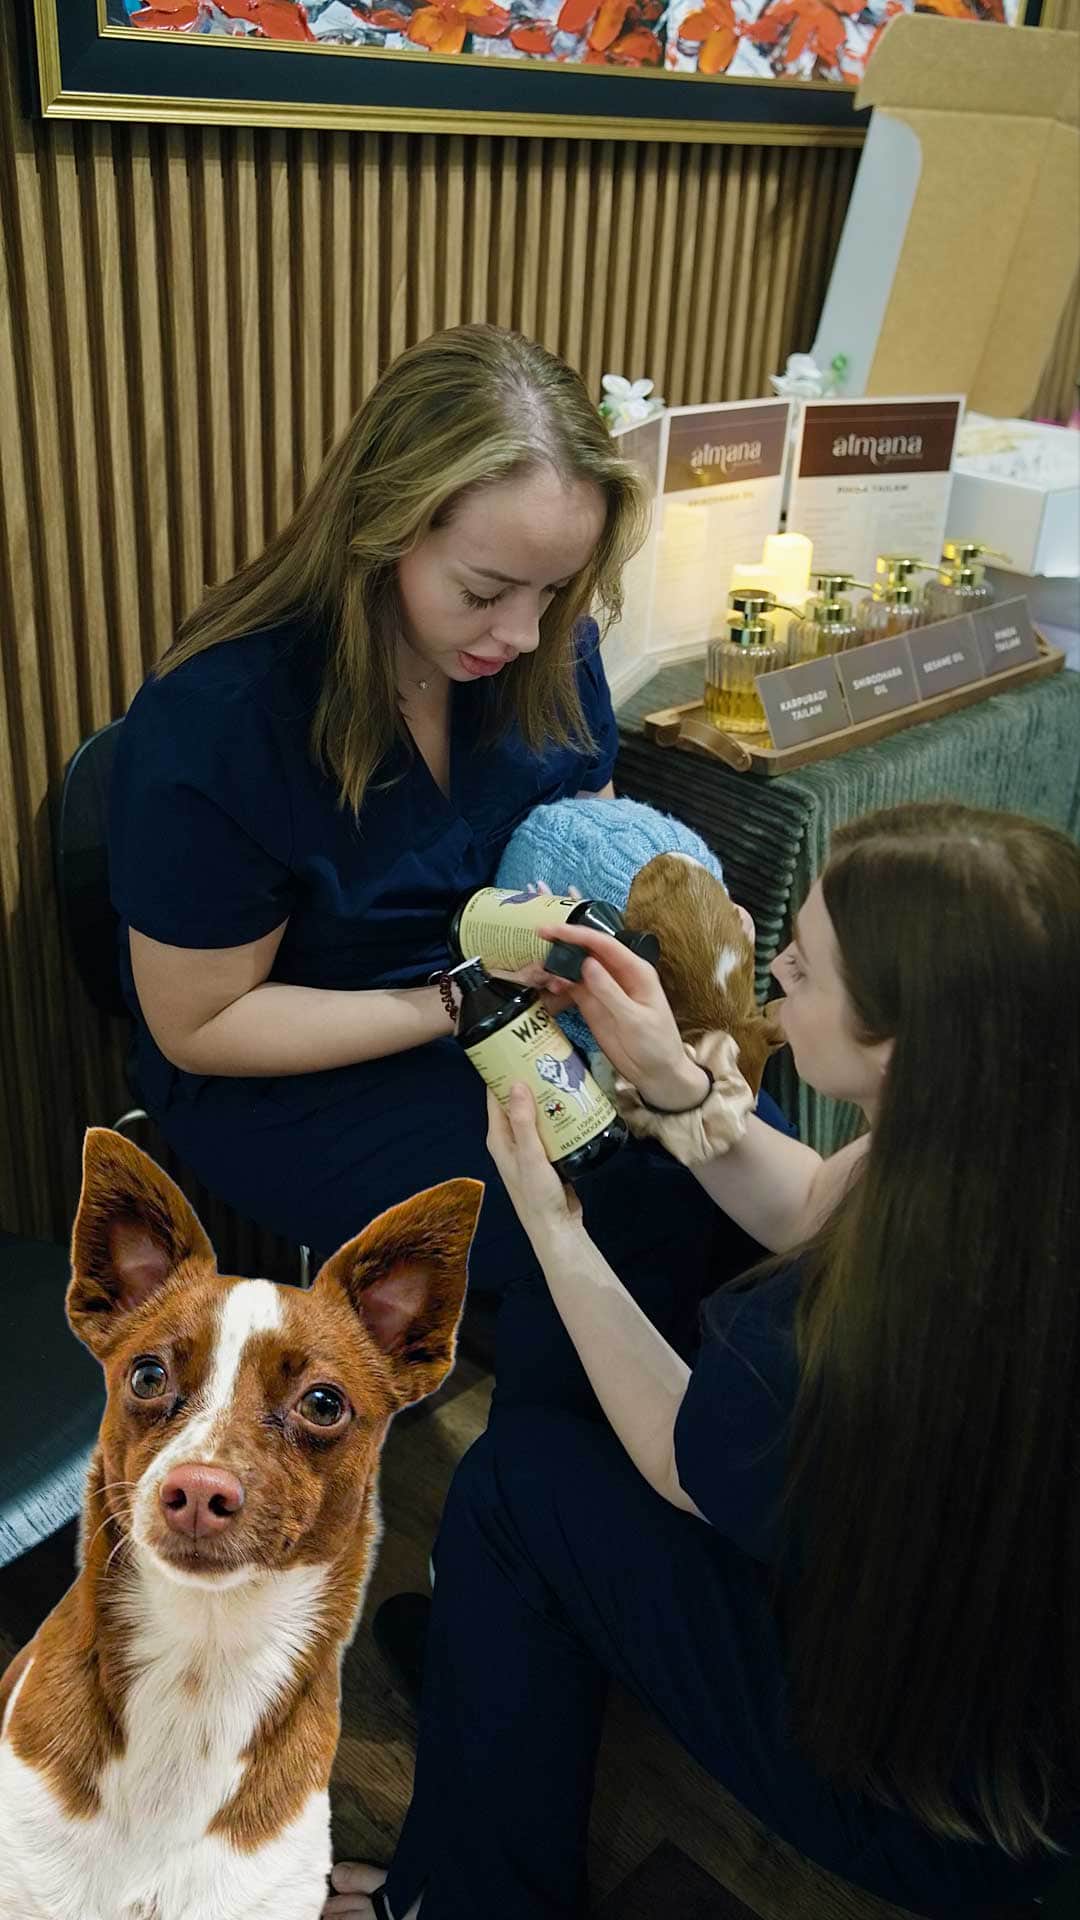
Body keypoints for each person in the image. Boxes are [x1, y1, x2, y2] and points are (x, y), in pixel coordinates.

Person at [326, 803, 1080, 1920]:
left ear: (903, 1041)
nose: (774, 966)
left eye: (806, 965)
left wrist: (551, 1225)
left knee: (513, 1485)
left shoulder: (859, 1330)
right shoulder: (1008, 1126)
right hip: (998, 1683)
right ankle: (514, 1647)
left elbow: (684, 1458)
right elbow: (813, 1199)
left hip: (952, 1813)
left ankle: (466, 1896)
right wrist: (671, 1076)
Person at [108, 324, 779, 1296]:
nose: (524, 633)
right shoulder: (223, 721)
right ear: (381, 529)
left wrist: (662, 942)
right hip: (302, 1064)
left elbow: (589, 844)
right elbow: (201, 1024)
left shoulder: (548, 649)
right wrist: (459, 1001)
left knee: (742, 1140)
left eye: (554, 590)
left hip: (522, 1010)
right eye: (483, 591)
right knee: (607, 1213)